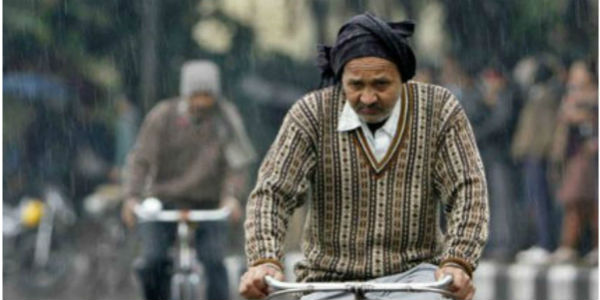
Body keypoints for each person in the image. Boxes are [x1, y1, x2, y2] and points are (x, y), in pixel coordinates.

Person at [240, 13, 488, 300]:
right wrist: (265, 261)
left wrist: (457, 261)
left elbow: (468, 191)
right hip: (328, 280)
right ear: (340, 78)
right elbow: (272, 193)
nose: (368, 98)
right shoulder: (310, 114)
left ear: (404, 78)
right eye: (356, 85)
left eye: (381, 84)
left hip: (415, 278)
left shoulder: (440, 110)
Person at [121, 60, 256, 300]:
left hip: (209, 203)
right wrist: (132, 197)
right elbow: (140, 159)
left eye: (208, 96)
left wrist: (232, 197)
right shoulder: (163, 116)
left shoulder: (225, 119)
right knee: (153, 261)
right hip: (163, 200)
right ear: (186, 94)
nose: (202, 102)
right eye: (197, 95)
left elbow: (237, 165)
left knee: (215, 262)